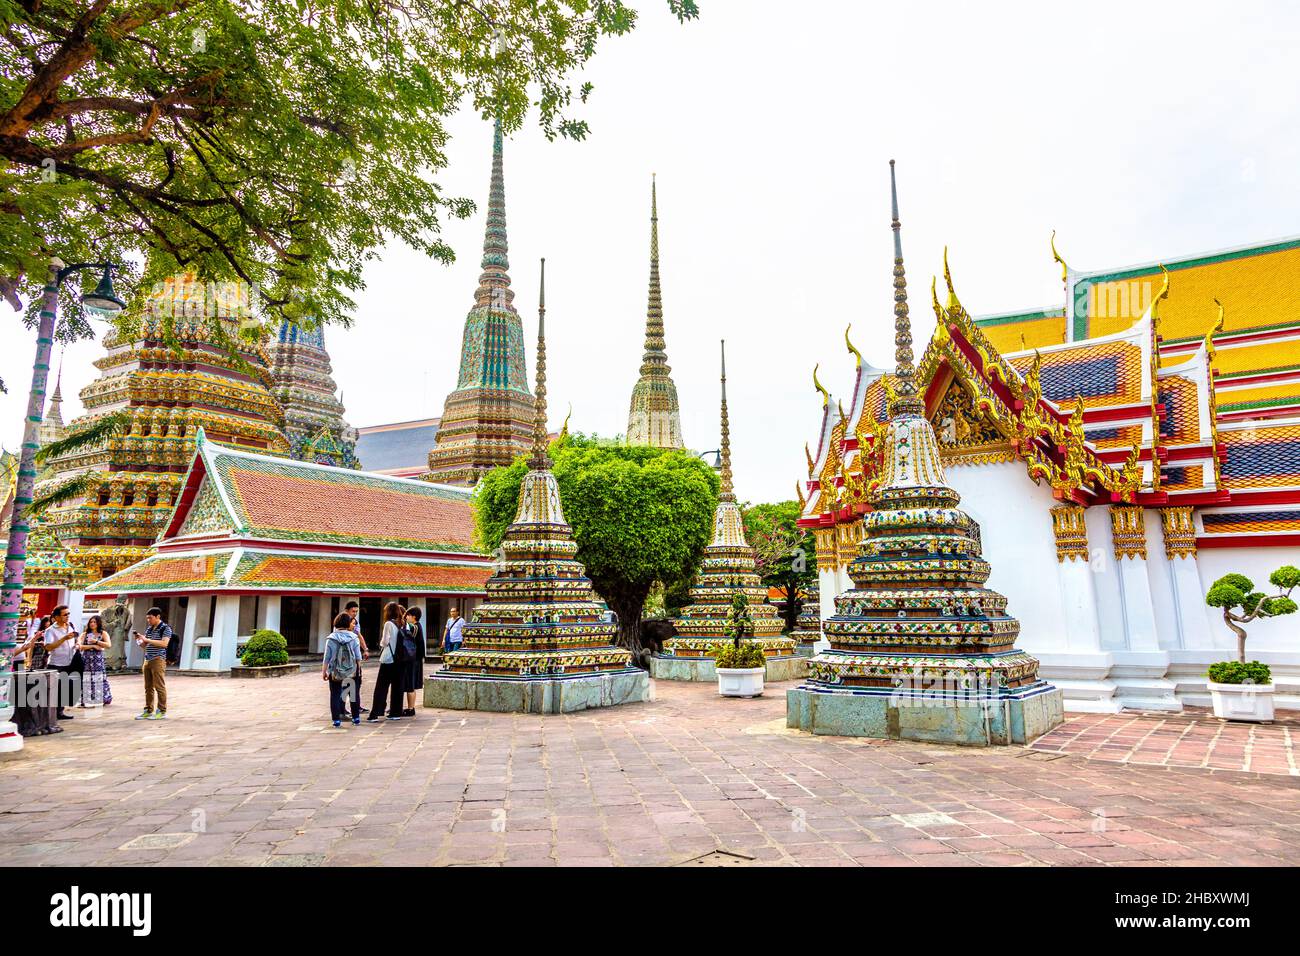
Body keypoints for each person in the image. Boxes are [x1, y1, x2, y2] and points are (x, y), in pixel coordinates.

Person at [366, 602, 406, 722]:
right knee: (397, 687)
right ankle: (395, 712)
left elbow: (385, 641)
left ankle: (376, 713)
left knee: (381, 687)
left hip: (389, 659)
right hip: (401, 659)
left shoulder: (389, 624)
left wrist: (381, 644)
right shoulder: (403, 624)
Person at [322, 612, 363, 727]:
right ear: (347, 623)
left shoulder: (331, 638)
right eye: (351, 622)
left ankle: (336, 720)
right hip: (351, 671)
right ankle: (356, 718)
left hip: (335, 672)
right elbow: (358, 657)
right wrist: (358, 670)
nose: (353, 624)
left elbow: (327, 657)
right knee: (353, 694)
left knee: (335, 695)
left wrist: (324, 671)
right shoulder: (353, 637)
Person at [42, 605, 82, 720]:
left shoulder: (70, 626)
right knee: (54, 690)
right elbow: (48, 647)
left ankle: (60, 712)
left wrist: (78, 643)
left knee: (65, 688)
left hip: (70, 661)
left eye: (68, 614)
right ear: (56, 617)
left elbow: (76, 636)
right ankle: (51, 714)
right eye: (65, 614)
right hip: (56, 663)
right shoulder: (51, 630)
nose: (67, 616)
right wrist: (64, 638)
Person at [134, 607, 172, 720]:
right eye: (147, 618)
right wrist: (139, 640)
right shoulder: (149, 629)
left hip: (158, 659)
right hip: (147, 659)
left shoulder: (165, 628)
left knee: (159, 686)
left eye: (150, 618)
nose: (148, 620)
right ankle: (148, 710)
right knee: (148, 687)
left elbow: (164, 643)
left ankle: (161, 711)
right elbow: (145, 646)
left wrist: (147, 639)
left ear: (158, 617)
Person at [77, 614, 113, 707]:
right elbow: (80, 646)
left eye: (94, 622)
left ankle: (102, 698)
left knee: (99, 678)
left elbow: (108, 645)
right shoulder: (84, 634)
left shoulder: (103, 633)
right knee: (86, 679)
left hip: (98, 660)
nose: (92, 624)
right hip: (86, 659)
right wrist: (93, 646)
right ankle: (86, 699)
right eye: (91, 622)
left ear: (98, 623)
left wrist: (96, 642)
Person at [344, 601, 370, 714]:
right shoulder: (341, 623)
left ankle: (356, 707)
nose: (355, 614)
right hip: (345, 661)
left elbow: (359, 635)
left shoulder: (355, 624)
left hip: (354, 659)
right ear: (347, 611)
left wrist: (365, 649)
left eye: (356, 612)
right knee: (346, 684)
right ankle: (342, 709)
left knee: (356, 684)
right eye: (353, 611)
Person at [402, 606, 425, 717]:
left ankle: (411, 708)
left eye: (408, 615)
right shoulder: (416, 626)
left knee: (410, 684)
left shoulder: (414, 627)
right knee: (410, 684)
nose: (406, 617)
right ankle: (410, 707)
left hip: (413, 659)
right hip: (415, 659)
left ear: (414, 617)